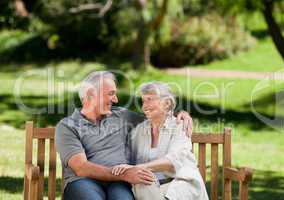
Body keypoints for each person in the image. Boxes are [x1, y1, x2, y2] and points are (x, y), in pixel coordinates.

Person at [55, 71, 193, 200]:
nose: (115, 99)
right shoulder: (68, 126)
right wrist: (125, 173)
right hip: (83, 182)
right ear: (91, 94)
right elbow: (81, 168)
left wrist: (180, 114)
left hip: (120, 183)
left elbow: (156, 117)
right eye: (110, 94)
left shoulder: (121, 116)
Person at [112, 82, 209, 200]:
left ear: (167, 103)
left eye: (149, 99)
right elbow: (127, 159)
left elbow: (172, 161)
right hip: (152, 187)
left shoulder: (179, 126)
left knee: (142, 177)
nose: (144, 106)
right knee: (141, 180)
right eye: (143, 101)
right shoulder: (139, 131)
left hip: (181, 183)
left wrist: (141, 167)